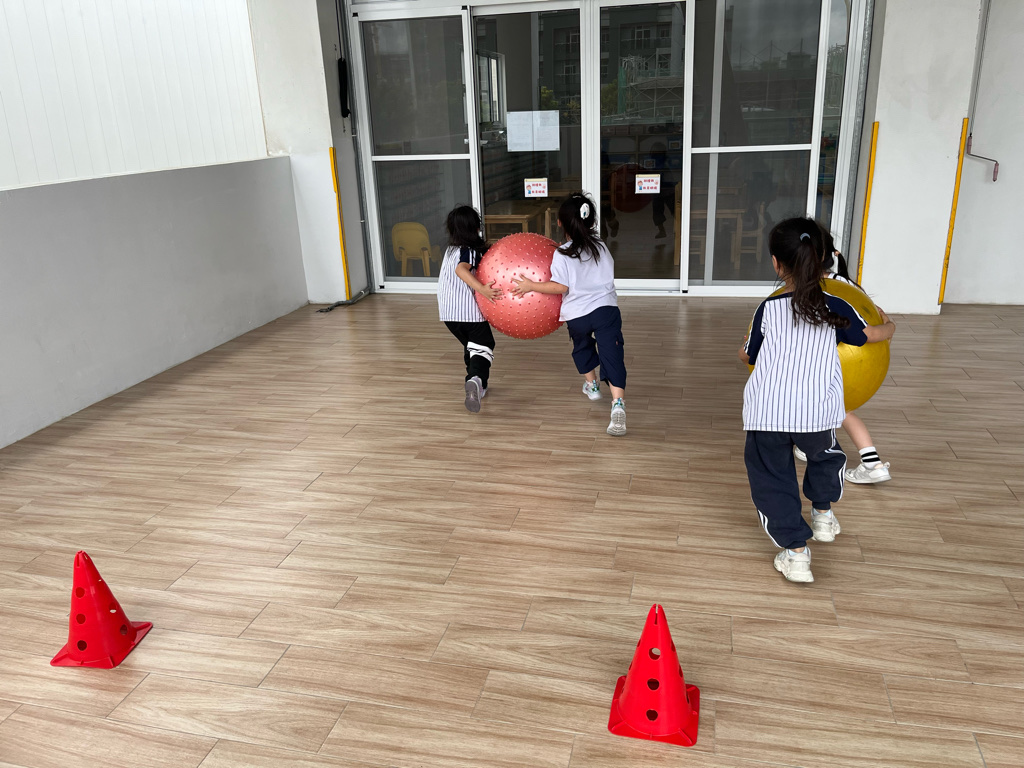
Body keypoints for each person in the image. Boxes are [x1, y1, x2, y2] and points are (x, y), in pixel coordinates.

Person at [739, 218, 895, 583]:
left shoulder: (768, 308)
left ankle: (796, 555)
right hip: (816, 411)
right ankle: (822, 514)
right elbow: (869, 336)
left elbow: (748, 355)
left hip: (767, 412)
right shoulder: (836, 306)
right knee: (825, 458)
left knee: (772, 480)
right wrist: (891, 327)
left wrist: (745, 349)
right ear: (823, 257)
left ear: (776, 263)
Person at [512, 192, 628, 437]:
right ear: (591, 221)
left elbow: (560, 287)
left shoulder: (562, 253)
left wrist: (531, 285)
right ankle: (617, 404)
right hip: (606, 310)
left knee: (582, 346)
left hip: (578, 314)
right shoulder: (600, 246)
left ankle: (592, 385)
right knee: (612, 353)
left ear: (560, 223)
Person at [437, 205, 501, 413]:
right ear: (475, 227)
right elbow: (461, 269)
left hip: (448, 314)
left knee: (472, 346)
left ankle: (476, 385)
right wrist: (482, 289)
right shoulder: (468, 251)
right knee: (484, 344)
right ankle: (475, 379)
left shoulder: (450, 251)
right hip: (468, 313)